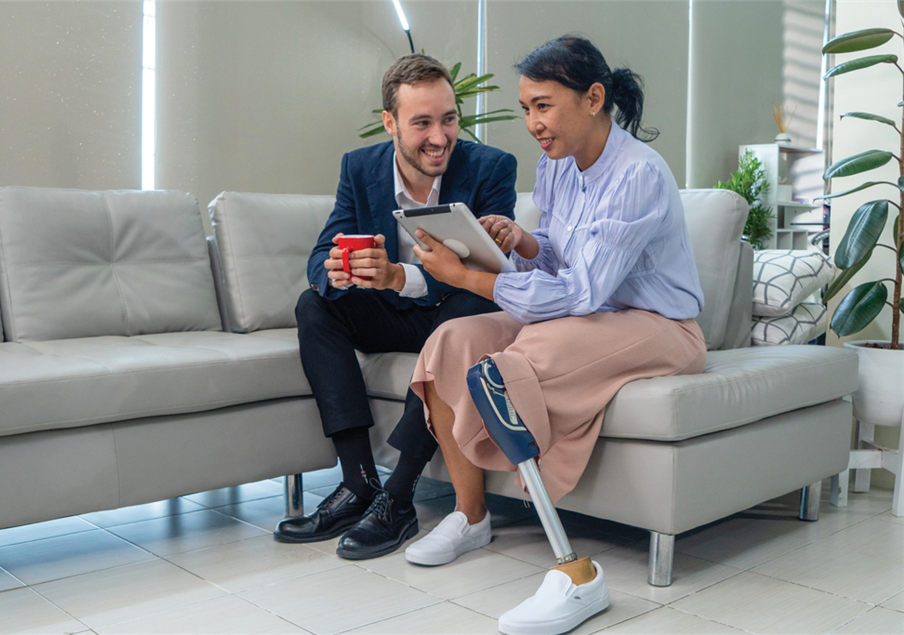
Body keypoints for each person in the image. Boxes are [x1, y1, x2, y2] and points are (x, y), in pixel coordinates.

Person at [406, 36, 707, 634]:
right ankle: (471, 516)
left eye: (542, 105)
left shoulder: (638, 176)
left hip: (660, 326)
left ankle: (571, 572)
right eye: (525, 109)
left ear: (594, 98)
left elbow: (582, 292)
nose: (532, 124)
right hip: (591, 315)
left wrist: (467, 275)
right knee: (453, 342)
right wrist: (521, 243)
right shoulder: (556, 166)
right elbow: (562, 260)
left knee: (523, 356)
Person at [274, 53, 518, 561]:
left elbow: (491, 271)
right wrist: (332, 271)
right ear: (390, 123)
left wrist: (398, 276)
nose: (439, 136)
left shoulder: (491, 168)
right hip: (395, 314)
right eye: (422, 123)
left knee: (467, 309)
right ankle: (359, 481)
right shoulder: (359, 168)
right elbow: (322, 252)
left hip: (454, 314)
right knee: (314, 306)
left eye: (449, 119)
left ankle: (398, 495)